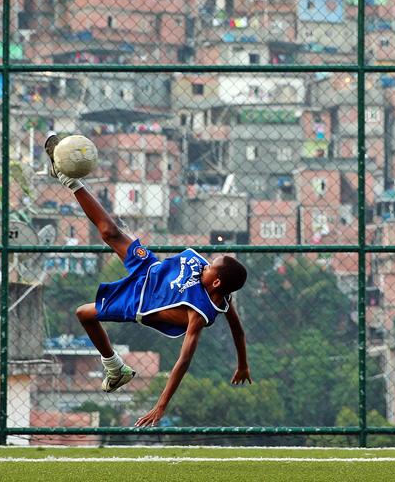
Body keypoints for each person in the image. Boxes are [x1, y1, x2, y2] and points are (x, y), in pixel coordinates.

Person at [44, 134, 252, 427]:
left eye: (211, 268)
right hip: (150, 269)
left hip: (140, 301)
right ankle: (67, 177)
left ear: (216, 283)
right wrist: (243, 363)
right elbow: (240, 333)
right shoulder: (207, 272)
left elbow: (183, 362)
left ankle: (115, 369)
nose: (206, 264)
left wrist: (160, 407)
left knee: (84, 313)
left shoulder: (201, 313)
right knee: (109, 232)